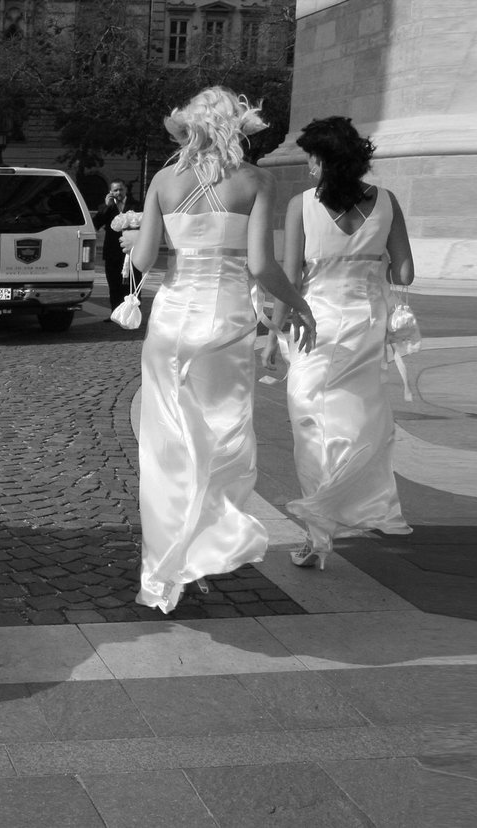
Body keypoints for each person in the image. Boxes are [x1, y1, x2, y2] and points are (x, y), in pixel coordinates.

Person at [123, 86, 318, 614]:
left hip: (170, 326)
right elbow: (261, 266)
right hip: (226, 326)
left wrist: (133, 241)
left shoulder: (164, 181)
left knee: (167, 449)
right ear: (238, 127)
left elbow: (143, 260)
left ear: (191, 128)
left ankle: (167, 568)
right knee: (221, 437)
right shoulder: (257, 181)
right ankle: (203, 549)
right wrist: (298, 305)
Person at [263, 116, 414, 570]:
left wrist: (272, 333)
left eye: (312, 156)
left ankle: (318, 532)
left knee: (310, 424)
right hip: (366, 326)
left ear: (326, 160)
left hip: (316, 327)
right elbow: (404, 273)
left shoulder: (301, 205)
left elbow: (290, 279)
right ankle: (347, 506)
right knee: (359, 422)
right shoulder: (387, 202)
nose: (308, 164)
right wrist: (371, 257)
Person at [93, 179, 140, 309]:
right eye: (115, 190)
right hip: (112, 251)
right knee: (114, 285)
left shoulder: (137, 205)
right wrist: (106, 206)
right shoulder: (106, 207)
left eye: (121, 189)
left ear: (126, 190)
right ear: (110, 192)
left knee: (132, 284)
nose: (118, 192)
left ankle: (132, 312)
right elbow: (95, 225)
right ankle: (115, 313)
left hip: (132, 252)